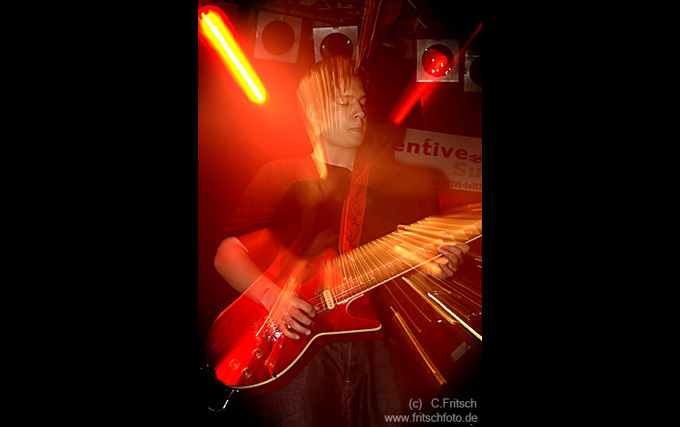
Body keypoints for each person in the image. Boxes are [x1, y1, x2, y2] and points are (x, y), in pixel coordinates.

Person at [213, 56, 470, 426]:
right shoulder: (283, 175)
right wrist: (273, 299)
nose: (359, 111)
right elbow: (228, 253)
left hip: (383, 346)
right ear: (314, 112)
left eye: (362, 102)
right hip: (301, 347)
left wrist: (438, 265)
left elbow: (410, 269)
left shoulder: (397, 187)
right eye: (345, 102)